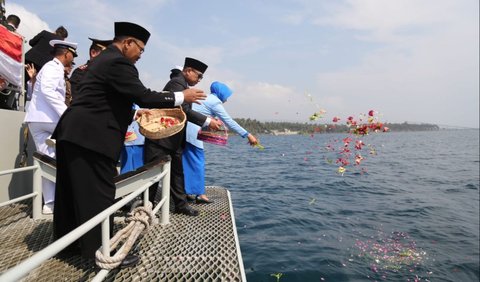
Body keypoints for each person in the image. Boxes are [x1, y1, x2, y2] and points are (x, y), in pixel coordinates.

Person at [52, 22, 206, 267]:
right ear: (128, 43)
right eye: (141, 49)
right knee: (98, 197)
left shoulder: (103, 60)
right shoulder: (118, 62)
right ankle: (98, 254)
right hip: (92, 138)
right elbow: (143, 94)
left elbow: (105, 98)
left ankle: (67, 245)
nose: (141, 55)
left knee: (71, 193)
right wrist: (181, 97)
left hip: (73, 133)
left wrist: (135, 114)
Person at [144, 57, 222, 217]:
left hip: (173, 140)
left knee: (177, 173)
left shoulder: (182, 84)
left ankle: (180, 205)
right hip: (162, 140)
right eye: (198, 76)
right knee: (152, 176)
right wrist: (207, 121)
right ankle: (146, 208)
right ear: (188, 71)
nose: (199, 80)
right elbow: (184, 110)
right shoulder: (177, 84)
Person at [23, 40, 78, 214]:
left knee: (47, 160)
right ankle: (71, 195)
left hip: (36, 119)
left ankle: (50, 203)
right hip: (49, 119)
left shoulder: (50, 67)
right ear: (66, 53)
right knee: (76, 145)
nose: (73, 58)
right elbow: (48, 90)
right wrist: (66, 114)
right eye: (72, 55)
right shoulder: (54, 68)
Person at [183, 82, 258, 203]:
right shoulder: (214, 102)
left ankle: (185, 191)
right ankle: (200, 195)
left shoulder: (206, 98)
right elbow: (229, 121)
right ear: (221, 93)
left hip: (184, 132)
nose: (226, 100)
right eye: (226, 96)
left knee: (186, 163)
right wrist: (247, 135)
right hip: (192, 134)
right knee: (198, 163)